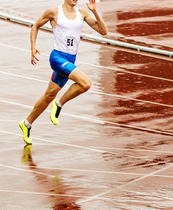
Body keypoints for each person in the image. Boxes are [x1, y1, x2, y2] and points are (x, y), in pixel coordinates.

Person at [19, 0, 108, 145]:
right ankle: (59, 104)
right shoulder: (54, 12)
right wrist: (33, 47)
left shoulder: (82, 13)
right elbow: (36, 26)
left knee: (48, 95)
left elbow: (103, 32)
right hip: (57, 58)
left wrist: (95, 11)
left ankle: (26, 123)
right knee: (85, 84)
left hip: (70, 60)